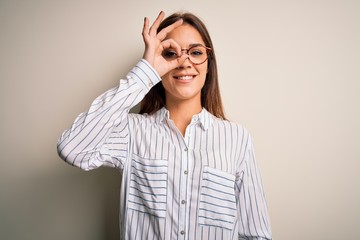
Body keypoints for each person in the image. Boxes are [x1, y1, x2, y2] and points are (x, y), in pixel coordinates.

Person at [57, 11, 272, 240]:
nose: (184, 62)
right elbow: (72, 149)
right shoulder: (133, 132)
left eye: (196, 52)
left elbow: (256, 234)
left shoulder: (237, 139)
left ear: (209, 64)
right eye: (171, 53)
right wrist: (146, 72)